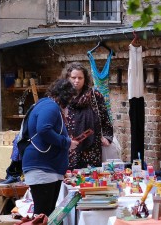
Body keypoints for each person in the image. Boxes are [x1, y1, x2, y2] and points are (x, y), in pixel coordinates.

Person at [22, 79, 78, 217]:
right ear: (65, 96)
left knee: (47, 215)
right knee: (43, 215)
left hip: (47, 168)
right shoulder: (50, 106)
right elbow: (43, 129)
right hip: (43, 169)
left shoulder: (45, 104)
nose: (70, 103)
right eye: (70, 98)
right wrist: (67, 143)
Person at [62, 62, 114, 169]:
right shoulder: (63, 97)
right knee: (70, 179)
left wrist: (107, 137)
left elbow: (105, 117)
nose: (77, 81)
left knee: (90, 178)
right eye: (73, 77)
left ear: (85, 79)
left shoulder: (94, 96)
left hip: (92, 146)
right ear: (67, 78)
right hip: (70, 145)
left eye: (80, 78)